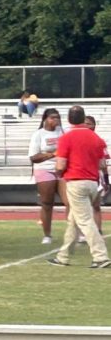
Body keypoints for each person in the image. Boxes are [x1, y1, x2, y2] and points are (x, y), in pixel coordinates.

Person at [47, 105, 110, 269]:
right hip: (92, 182)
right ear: (83, 119)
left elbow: (61, 164)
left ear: (69, 119)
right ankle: (63, 256)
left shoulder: (66, 138)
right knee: (74, 220)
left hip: (76, 181)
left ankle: (101, 256)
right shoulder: (96, 138)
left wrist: (58, 174)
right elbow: (102, 163)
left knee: (84, 220)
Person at [28, 107, 66, 245]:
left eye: (57, 117)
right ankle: (47, 235)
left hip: (61, 169)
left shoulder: (62, 132)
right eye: (53, 117)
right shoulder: (39, 134)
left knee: (70, 202)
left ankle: (75, 233)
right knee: (47, 203)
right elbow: (34, 157)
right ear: (45, 119)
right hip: (44, 169)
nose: (56, 120)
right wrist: (52, 154)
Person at [85, 115, 109, 234]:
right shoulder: (79, 140)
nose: (86, 126)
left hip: (95, 176)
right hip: (82, 175)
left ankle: (98, 230)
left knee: (95, 205)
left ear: (94, 125)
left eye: (89, 123)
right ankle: (84, 232)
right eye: (84, 123)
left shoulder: (99, 141)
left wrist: (106, 179)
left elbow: (103, 163)